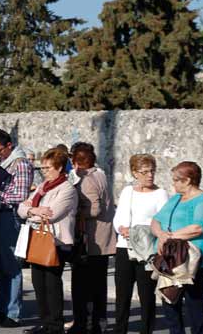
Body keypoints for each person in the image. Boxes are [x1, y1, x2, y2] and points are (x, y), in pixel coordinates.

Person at [151, 161, 203, 334]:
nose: (173, 184)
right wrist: (160, 234)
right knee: (169, 301)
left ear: (187, 180)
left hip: (193, 261)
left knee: (194, 303)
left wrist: (169, 236)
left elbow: (197, 227)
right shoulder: (175, 199)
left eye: (176, 180)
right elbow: (156, 220)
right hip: (171, 258)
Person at [18, 148, 78, 334]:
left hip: (56, 241)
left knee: (52, 284)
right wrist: (34, 210)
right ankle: (45, 321)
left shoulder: (66, 188)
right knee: (38, 283)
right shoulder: (43, 187)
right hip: (37, 238)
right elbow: (21, 208)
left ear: (59, 168)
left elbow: (52, 214)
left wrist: (31, 211)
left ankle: (55, 324)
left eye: (48, 167)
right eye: (42, 167)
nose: (44, 171)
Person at [112, 154, 169, 334]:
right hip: (124, 246)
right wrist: (122, 229)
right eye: (145, 172)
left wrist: (137, 231)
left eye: (152, 171)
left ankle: (147, 330)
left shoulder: (160, 194)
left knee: (146, 295)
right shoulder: (128, 191)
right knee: (122, 294)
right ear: (135, 173)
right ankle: (120, 329)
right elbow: (119, 217)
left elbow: (162, 222)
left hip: (147, 251)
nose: (150, 175)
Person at [0, 129, 32, 328]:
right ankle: (0, 308)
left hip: (8, 216)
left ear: (9, 146)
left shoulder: (21, 164)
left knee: (11, 265)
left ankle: (13, 312)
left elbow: (20, 196)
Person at [68, 143, 117, 334]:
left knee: (83, 286)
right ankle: (98, 323)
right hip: (102, 240)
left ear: (77, 161)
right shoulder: (101, 174)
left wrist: (76, 211)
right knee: (99, 285)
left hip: (91, 240)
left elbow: (94, 208)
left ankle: (84, 324)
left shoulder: (87, 179)